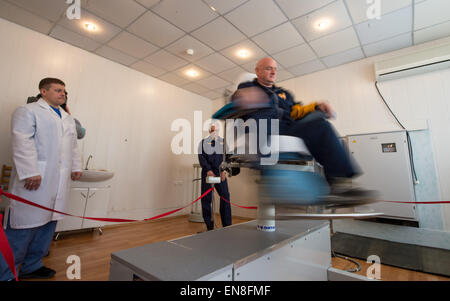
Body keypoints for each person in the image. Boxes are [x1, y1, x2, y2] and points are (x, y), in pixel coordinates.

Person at [232, 57, 373, 198]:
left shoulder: (284, 93)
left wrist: (317, 106)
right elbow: (235, 101)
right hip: (263, 126)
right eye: (269, 68)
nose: (274, 72)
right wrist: (243, 98)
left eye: (275, 69)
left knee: (321, 126)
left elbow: (297, 111)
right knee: (259, 121)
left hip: (288, 127)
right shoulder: (247, 87)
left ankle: (338, 183)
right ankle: (268, 174)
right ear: (257, 71)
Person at [0, 78, 82, 281]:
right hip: (35, 178)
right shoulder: (28, 111)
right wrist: (29, 171)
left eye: (64, 90)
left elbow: (73, 146)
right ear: (43, 91)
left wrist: (76, 166)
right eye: (57, 90)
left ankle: (32, 265)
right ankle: (7, 272)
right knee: (23, 226)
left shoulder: (68, 118)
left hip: (58, 182)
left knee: (48, 224)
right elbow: (22, 140)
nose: (62, 94)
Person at [198, 123, 232, 231]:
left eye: (216, 130)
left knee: (225, 197)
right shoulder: (203, 143)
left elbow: (228, 158)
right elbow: (202, 158)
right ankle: (209, 226)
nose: (215, 132)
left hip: (220, 174)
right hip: (207, 174)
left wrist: (224, 171)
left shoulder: (223, 143)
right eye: (213, 130)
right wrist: (208, 170)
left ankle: (227, 226)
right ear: (209, 131)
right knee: (206, 200)